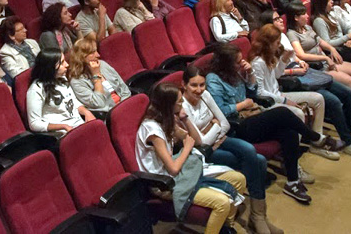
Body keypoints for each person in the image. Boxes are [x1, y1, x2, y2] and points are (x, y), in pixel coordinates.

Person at [205, 43, 334, 204]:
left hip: (252, 115)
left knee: (290, 132)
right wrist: (242, 105)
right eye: (238, 61)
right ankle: (314, 137)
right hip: (236, 125)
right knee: (282, 112)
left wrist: (249, 74)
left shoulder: (236, 73)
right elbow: (221, 111)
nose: (242, 62)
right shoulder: (213, 79)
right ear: (226, 63)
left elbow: (253, 93)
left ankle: (292, 182)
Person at [257, 11, 351, 160]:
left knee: (347, 92)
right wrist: (293, 69)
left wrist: (299, 61)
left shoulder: (281, 36)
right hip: (292, 80)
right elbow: (276, 74)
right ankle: (349, 142)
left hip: (305, 72)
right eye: (275, 19)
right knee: (333, 101)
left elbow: (294, 57)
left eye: (279, 17)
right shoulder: (268, 46)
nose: (280, 20)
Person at [180, 67, 283, 234]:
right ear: (184, 85)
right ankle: (256, 217)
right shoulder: (181, 106)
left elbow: (225, 123)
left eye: (202, 85)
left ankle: (259, 215)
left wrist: (212, 130)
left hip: (220, 140)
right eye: (194, 85)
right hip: (205, 152)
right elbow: (202, 142)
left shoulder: (205, 96)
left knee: (253, 154)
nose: (199, 90)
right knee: (258, 161)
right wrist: (214, 125)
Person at [137, 82, 249, 233]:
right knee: (222, 203)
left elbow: (196, 140)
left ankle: (225, 228)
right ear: (168, 105)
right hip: (164, 182)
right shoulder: (152, 129)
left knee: (239, 179)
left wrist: (184, 119)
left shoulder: (167, 119)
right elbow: (173, 168)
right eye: (179, 102)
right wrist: (187, 148)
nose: (183, 103)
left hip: (178, 171)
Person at [248, 26, 337, 160]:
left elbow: (276, 75)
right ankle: (292, 158)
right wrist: (284, 101)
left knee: (318, 98)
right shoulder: (257, 62)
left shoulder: (269, 56)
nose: (279, 45)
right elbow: (260, 92)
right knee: (298, 113)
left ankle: (316, 142)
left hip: (278, 95)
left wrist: (284, 59)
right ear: (268, 43)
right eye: (277, 42)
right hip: (268, 102)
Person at [27, 50, 95, 136]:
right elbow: (34, 123)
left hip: (79, 125)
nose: (67, 65)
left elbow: (73, 101)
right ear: (50, 67)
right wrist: (63, 126)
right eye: (62, 63)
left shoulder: (62, 78)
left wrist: (86, 112)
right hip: (64, 133)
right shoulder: (36, 90)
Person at [68, 33, 130, 115]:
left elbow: (124, 89)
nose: (98, 55)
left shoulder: (102, 64)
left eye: (96, 51)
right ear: (81, 57)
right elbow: (99, 103)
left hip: (125, 104)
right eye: (92, 53)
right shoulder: (76, 80)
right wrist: (96, 76)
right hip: (110, 114)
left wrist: (125, 104)